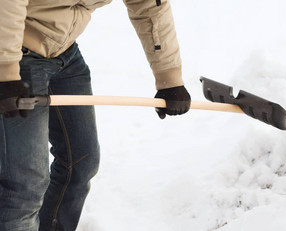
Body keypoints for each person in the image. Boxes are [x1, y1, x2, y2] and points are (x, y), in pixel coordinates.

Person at [0, 0, 191, 230]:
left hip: (64, 52)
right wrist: (6, 71)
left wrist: (169, 77)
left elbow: (150, 4)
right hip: (14, 49)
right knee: (25, 186)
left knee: (80, 162)